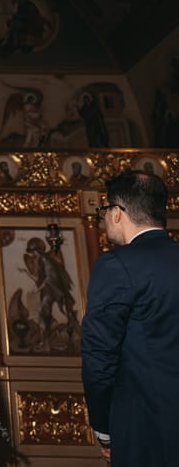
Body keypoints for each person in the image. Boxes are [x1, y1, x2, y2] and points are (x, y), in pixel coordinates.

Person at [81, 170, 179, 466]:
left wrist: (103, 427)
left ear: (117, 212)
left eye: (104, 210)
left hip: (144, 427)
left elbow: (99, 357)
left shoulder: (116, 265)